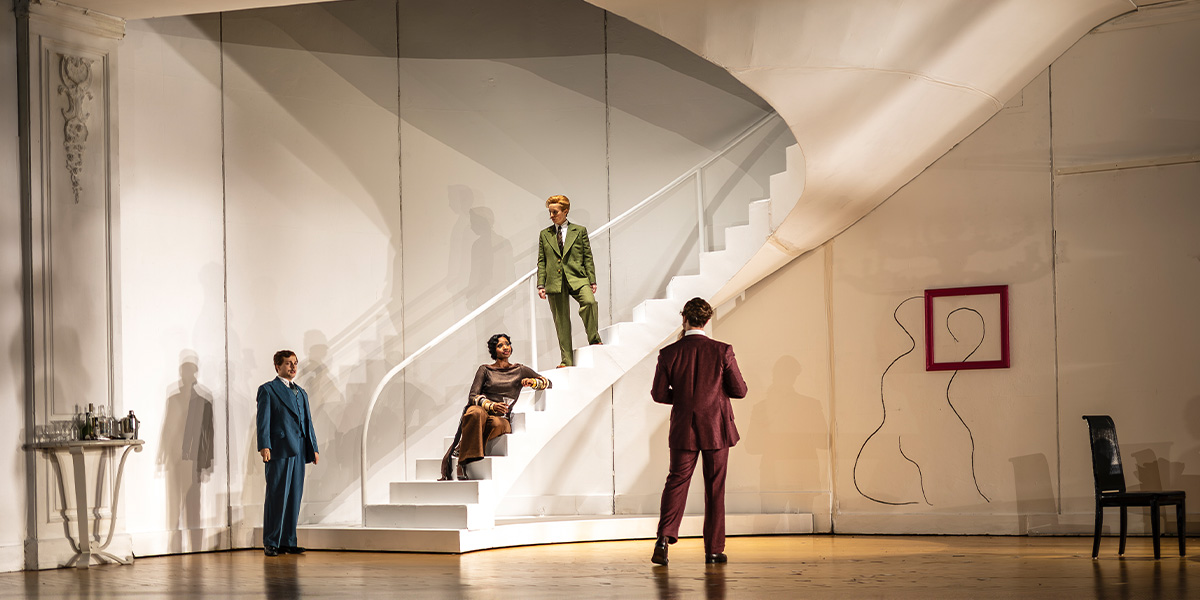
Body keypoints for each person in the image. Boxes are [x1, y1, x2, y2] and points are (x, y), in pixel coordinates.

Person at [650, 298, 747, 565]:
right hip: (717, 428)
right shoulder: (722, 350)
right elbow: (740, 390)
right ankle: (714, 550)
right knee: (715, 488)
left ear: (684, 319)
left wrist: (685, 398)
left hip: (684, 428)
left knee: (676, 482)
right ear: (707, 320)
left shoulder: (668, 353)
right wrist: (713, 394)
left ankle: (662, 539)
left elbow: (659, 394)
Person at [439, 334, 551, 481]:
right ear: (494, 350)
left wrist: (533, 382)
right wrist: (491, 406)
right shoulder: (485, 370)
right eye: (500, 345)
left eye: (507, 344)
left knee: (496, 424)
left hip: (501, 417)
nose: (505, 347)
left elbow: (548, 382)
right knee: (475, 413)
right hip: (482, 411)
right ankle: (463, 463)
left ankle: (462, 447)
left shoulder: (520, 370)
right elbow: (473, 396)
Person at [256, 350, 319, 557]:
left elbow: (308, 422)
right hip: (279, 449)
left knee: (294, 496)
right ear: (277, 366)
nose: (293, 367)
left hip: (299, 449)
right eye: (288, 363)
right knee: (277, 495)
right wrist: (264, 445)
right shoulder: (268, 390)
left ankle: (288, 541)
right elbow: (263, 421)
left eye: (295, 363)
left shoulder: (301, 392)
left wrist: (313, 447)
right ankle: (271, 541)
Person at [536, 194, 601, 367]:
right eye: (550, 212)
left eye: (555, 212)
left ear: (565, 211)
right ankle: (567, 360)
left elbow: (587, 257)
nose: (551, 216)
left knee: (589, 302)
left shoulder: (579, 231)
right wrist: (541, 284)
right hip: (554, 281)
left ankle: (594, 339)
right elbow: (542, 261)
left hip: (577, 277)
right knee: (561, 321)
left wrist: (592, 280)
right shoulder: (545, 234)